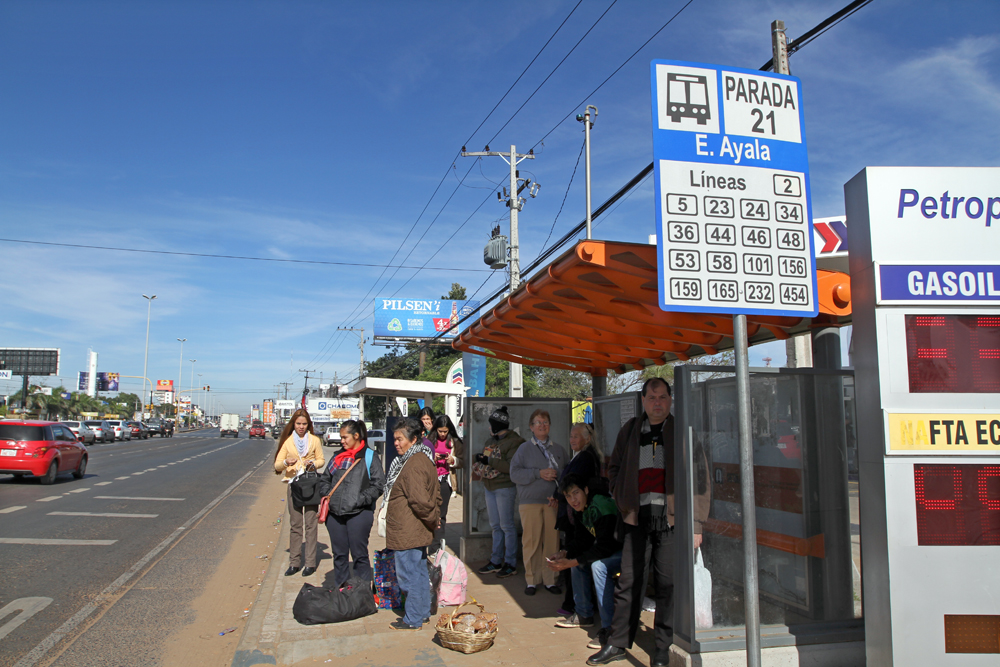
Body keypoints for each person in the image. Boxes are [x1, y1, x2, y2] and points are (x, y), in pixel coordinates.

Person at [586, 378, 710, 667]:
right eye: (652, 397)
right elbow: (613, 466)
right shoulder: (630, 430)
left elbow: (701, 478)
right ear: (643, 400)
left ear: (670, 400)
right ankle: (617, 643)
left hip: (671, 523)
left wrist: (696, 525)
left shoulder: (683, 432)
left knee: (668, 585)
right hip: (636, 520)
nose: (657, 402)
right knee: (629, 583)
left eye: (663, 397)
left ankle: (663, 650)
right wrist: (621, 495)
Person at [548, 474, 623, 651]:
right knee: (578, 563)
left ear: (586, 490)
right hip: (606, 549)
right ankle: (583, 615)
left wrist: (572, 561)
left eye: (576, 493)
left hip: (624, 552)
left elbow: (606, 547)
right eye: (568, 496)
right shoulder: (581, 508)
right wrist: (564, 553)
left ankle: (609, 629)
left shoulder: (602, 506)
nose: (573, 500)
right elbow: (582, 540)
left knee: (597, 566)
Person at [384, 417, 441, 630]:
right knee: (417, 572)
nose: (396, 443)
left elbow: (421, 501)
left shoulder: (414, 464)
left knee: (409, 576)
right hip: (411, 529)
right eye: (395, 439)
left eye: (400, 439)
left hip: (409, 530)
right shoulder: (416, 459)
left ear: (414, 439)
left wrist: (433, 519)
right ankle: (421, 612)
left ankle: (414, 618)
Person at [318, 420, 385, 587]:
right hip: (335, 515)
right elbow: (325, 480)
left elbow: (378, 485)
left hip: (359, 514)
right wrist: (328, 495)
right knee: (339, 555)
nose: (342, 441)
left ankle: (361, 593)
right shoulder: (337, 457)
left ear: (356, 436)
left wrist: (359, 500)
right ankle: (341, 592)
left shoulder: (369, 456)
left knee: (359, 555)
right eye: (341, 437)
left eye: (344, 437)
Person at [510, 409, 567, 595]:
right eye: (538, 422)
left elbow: (567, 476)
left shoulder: (558, 449)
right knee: (531, 541)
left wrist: (559, 495)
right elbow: (514, 473)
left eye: (545, 422)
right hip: (530, 502)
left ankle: (551, 579)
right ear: (531, 427)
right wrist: (538, 473)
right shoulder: (524, 449)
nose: (542, 425)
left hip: (552, 503)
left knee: (552, 542)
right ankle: (532, 580)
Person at [551, 422, 603, 614]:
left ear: (587, 439)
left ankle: (574, 605)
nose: (572, 440)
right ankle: (575, 603)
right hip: (574, 513)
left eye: (576, 436)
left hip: (578, 515)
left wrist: (559, 495)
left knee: (575, 556)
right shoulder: (582, 456)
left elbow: (573, 482)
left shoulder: (586, 458)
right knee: (571, 552)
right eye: (571, 436)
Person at [473, 405, 524, 579]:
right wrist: (480, 459)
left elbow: (511, 468)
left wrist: (489, 460)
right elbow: (488, 460)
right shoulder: (491, 441)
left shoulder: (515, 442)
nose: (489, 428)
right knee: (496, 526)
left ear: (496, 425)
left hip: (505, 487)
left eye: (491, 424)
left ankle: (510, 563)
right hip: (489, 486)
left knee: (507, 526)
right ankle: (496, 561)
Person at [273, 409, 326, 577]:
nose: (301, 427)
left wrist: (313, 464)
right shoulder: (288, 442)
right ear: (293, 424)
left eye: (304, 424)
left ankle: (310, 563)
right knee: (295, 525)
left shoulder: (315, 440)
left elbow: (321, 460)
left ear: (308, 424)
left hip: (310, 485)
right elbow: (277, 465)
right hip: (294, 485)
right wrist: (286, 462)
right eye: (298, 424)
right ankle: (294, 563)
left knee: (311, 525)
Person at [431, 414, 465, 551]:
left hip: (446, 480)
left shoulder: (455, 442)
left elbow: (463, 461)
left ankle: (436, 546)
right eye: (440, 431)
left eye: (445, 431)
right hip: (431, 480)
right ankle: (429, 542)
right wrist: (431, 458)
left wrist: (453, 461)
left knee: (441, 513)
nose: (443, 434)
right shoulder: (429, 440)